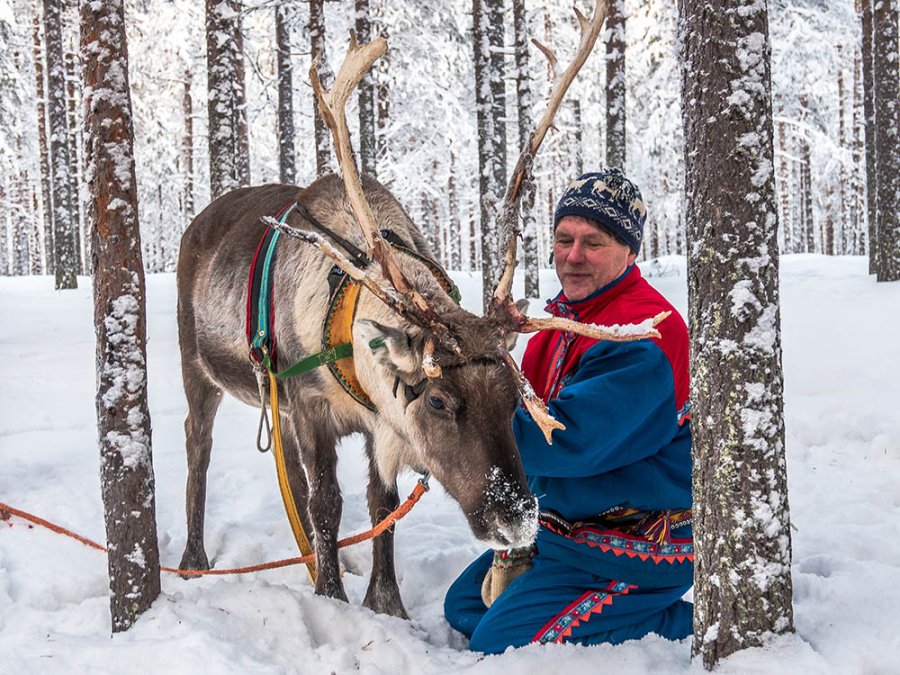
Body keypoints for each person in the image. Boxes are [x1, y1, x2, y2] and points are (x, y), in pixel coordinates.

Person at [444, 168, 693, 653]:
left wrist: (453, 427)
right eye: (564, 239)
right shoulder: (566, 317)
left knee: (501, 640)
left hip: (634, 540)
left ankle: (679, 622)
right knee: (465, 607)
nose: (574, 256)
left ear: (630, 251)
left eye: (593, 242)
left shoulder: (641, 334)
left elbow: (565, 437)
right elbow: (517, 398)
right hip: (566, 526)